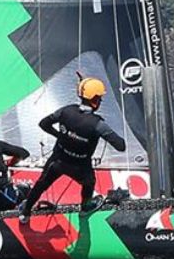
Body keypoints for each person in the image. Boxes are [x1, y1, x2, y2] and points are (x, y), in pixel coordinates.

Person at [19, 76, 128, 218]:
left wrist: (60, 136)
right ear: (95, 100)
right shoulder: (98, 124)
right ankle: (85, 208)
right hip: (80, 167)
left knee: (41, 184)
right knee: (89, 182)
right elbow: (121, 146)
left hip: (57, 161)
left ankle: (26, 212)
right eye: (100, 98)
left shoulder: (66, 111)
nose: (100, 101)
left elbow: (43, 123)